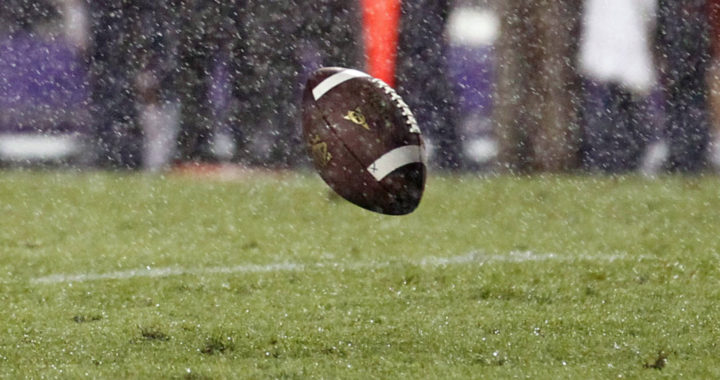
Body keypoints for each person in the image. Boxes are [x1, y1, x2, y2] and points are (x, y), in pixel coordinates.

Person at [578, 0, 657, 172]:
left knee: (615, 108)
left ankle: (613, 159)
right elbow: (649, 13)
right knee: (616, 109)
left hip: (621, 47)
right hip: (617, 47)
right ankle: (612, 159)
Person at [393, 0, 462, 170]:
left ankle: (446, 156)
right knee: (430, 91)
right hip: (418, 31)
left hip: (418, 32)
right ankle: (447, 156)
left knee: (425, 90)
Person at [656, 0, 712, 172]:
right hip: (686, 49)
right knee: (687, 105)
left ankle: (686, 159)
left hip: (686, 49)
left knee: (687, 105)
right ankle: (684, 158)